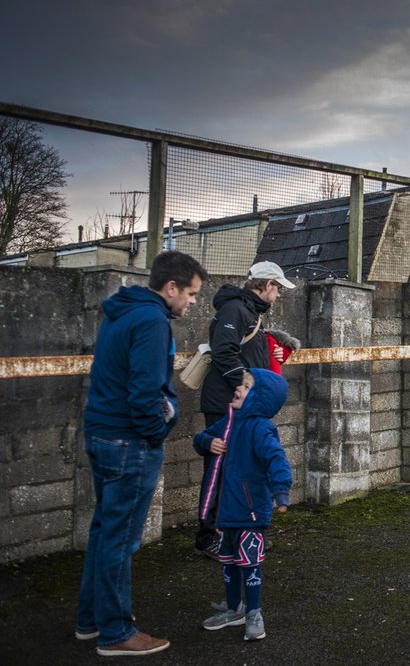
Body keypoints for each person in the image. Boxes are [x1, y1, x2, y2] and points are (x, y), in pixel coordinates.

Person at [75, 251, 207, 657]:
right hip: (129, 442)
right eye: (192, 293)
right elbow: (145, 393)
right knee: (120, 539)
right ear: (171, 288)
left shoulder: (122, 313)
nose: (194, 301)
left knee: (104, 531)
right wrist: (156, 434)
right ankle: (116, 633)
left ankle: (91, 621)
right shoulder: (152, 322)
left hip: (102, 434)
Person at [195, 261, 295, 558]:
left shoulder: (247, 312)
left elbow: (243, 350)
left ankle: (232, 534)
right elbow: (224, 351)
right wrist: (249, 387)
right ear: (266, 285)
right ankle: (207, 536)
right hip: (227, 403)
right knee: (219, 470)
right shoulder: (236, 310)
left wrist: (273, 350)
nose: (277, 295)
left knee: (238, 471)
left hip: (238, 403)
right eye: (277, 288)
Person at [195, 368, 293, 642]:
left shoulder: (261, 428)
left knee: (250, 564)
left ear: (260, 397)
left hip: (251, 512)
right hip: (228, 512)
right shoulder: (230, 422)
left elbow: (276, 459)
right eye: (241, 383)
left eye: (247, 386)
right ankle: (233, 608)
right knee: (228, 562)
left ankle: (253, 613)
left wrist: (281, 490)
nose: (238, 388)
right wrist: (208, 442)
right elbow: (200, 439)